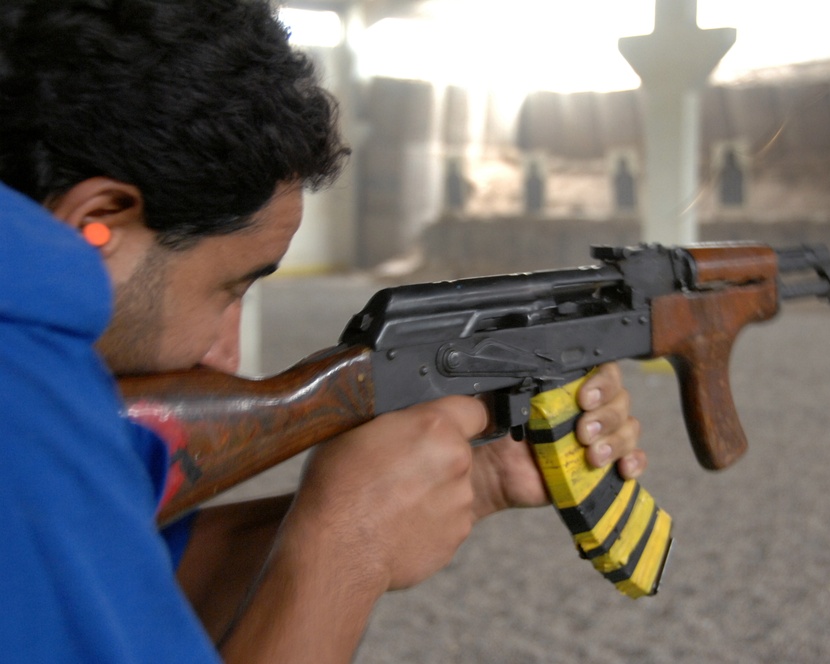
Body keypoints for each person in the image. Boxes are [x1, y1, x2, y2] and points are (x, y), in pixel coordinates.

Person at [0, 1, 646, 661]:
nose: (224, 353)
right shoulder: (26, 415)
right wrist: (348, 545)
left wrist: (465, 484)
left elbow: (113, 593)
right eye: (231, 287)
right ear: (97, 222)